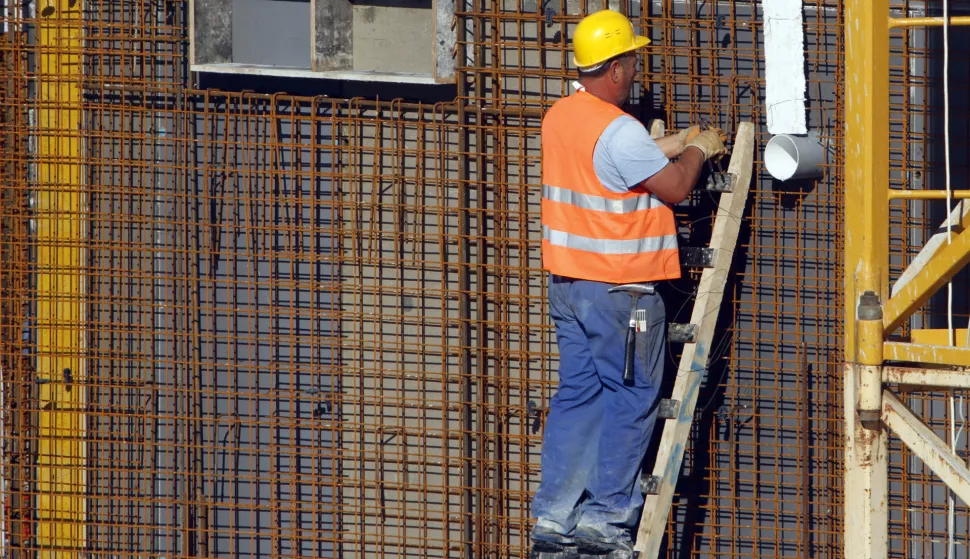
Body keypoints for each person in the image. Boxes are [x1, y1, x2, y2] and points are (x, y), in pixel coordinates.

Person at [531, 8, 727, 558]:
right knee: (633, 398)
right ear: (615, 67)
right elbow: (674, 187)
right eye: (633, 59)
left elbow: (608, 168)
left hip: (570, 287)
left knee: (578, 395)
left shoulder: (562, 117)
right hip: (624, 293)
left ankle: (553, 516)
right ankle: (606, 521)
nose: (637, 68)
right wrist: (698, 148)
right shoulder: (618, 131)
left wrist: (665, 145)